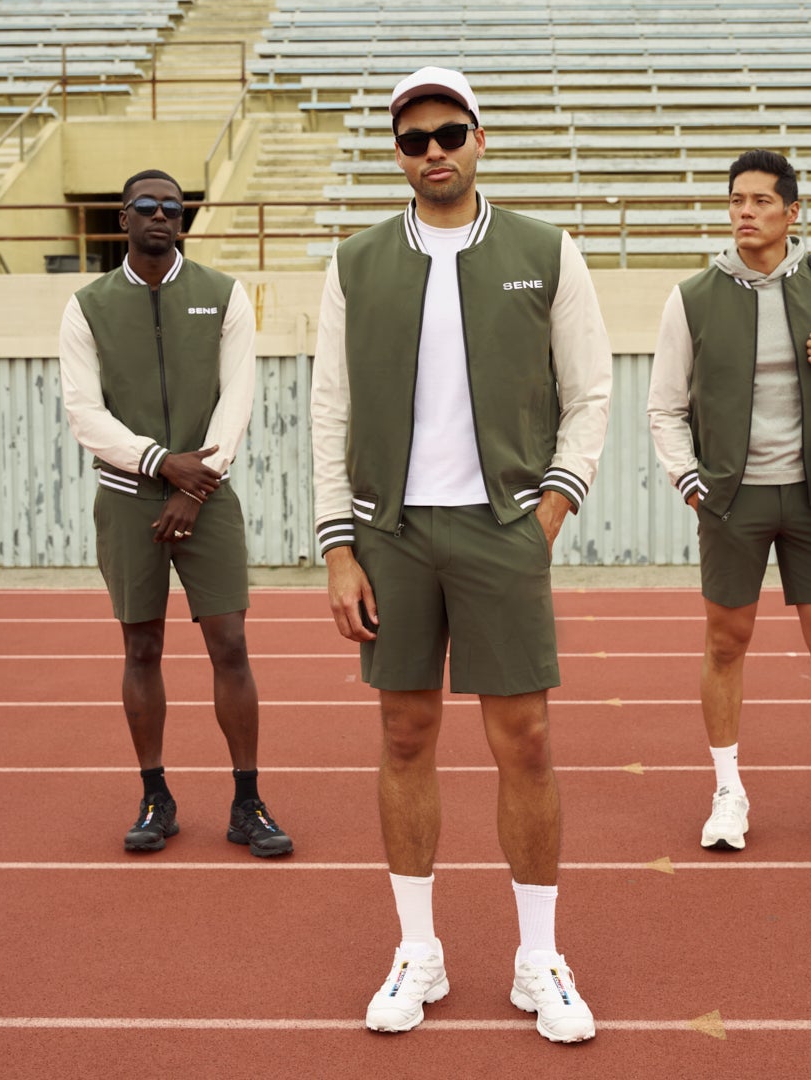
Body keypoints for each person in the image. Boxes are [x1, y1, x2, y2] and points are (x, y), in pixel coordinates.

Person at [309, 67, 613, 1042]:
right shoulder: (355, 262)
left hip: (502, 529)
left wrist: (553, 507)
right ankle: (419, 953)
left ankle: (538, 959)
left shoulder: (545, 249)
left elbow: (592, 391)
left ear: (479, 137)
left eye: (449, 133)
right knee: (405, 737)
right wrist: (337, 546)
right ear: (396, 154)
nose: (433, 151)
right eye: (413, 139)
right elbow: (330, 409)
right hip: (389, 534)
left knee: (523, 741)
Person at [645, 149, 811, 856]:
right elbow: (664, 407)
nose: (745, 213)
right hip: (731, 499)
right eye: (736, 201)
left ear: (792, 212)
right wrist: (689, 481)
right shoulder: (691, 296)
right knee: (727, 641)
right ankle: (728, 791)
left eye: (760, 201)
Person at [58, 168, 292, 859]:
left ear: (182, 221)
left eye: (172, 208)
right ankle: (155, 795)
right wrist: (162, 463)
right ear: (123, 219)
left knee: (230, 646)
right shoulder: (87, 305)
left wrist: (195, 486)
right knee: (142, 648)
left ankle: (248, 801)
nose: (160, 216)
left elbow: (238, 397)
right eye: (145, 207)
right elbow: (84, 413)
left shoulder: (222, 295)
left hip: (209, 498)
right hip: (129, 500)